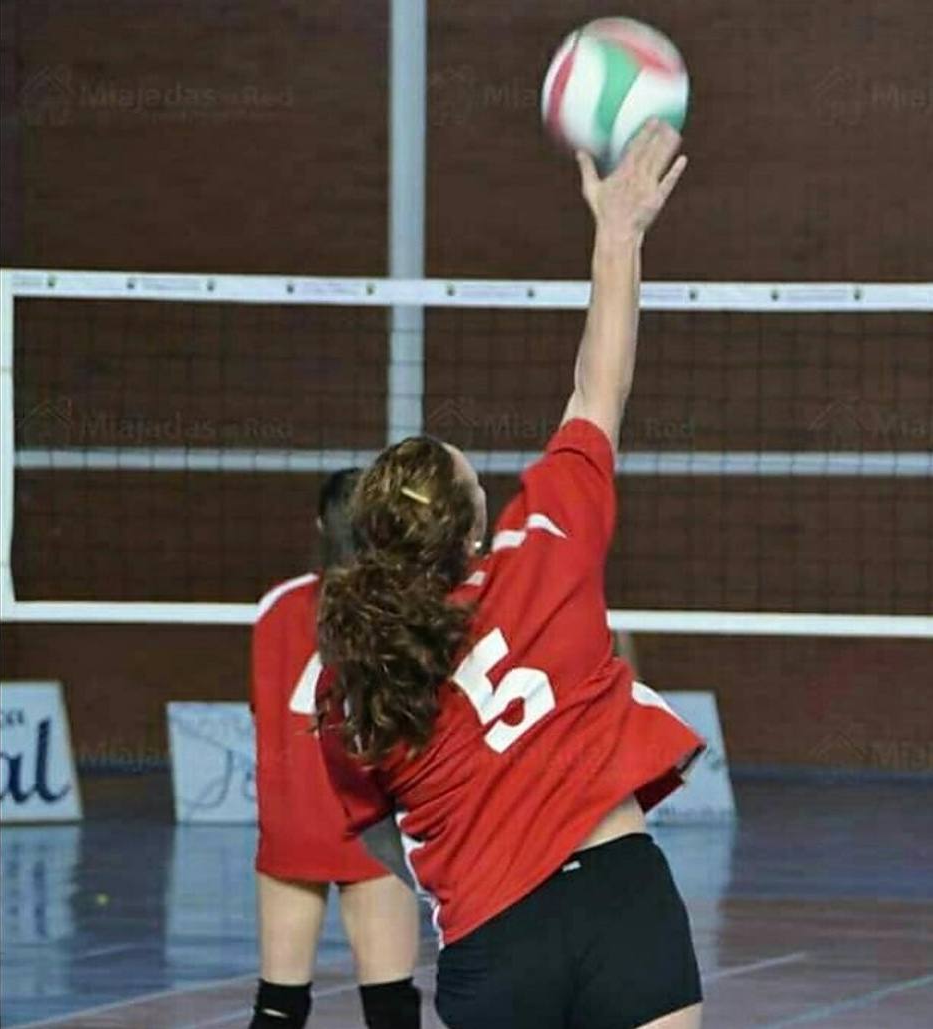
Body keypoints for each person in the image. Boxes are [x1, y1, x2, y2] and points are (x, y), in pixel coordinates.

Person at [317, 120, 704, 1029]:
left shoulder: (357, 673)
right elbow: (598, 389)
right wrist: (618, 235)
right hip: (620, 902)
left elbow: (373, 826)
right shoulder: (544, 546)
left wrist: (464, 849)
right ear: (476, 525)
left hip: (493, 936)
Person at [249, 469, 421, 1029]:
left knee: (277, 1006)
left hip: (291, 823)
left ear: (321, 525)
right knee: (390, 1007)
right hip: (370, 826)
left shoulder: (276, 606)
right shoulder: (406, 609)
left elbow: (264, 711)